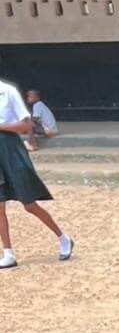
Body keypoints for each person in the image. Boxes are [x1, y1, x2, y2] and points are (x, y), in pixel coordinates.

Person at [0, 77, 72, 269]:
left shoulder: (8, 92)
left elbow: (26, 126)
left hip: (10, 149)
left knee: (29, 204)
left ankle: (63, 238)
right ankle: (8, 253)